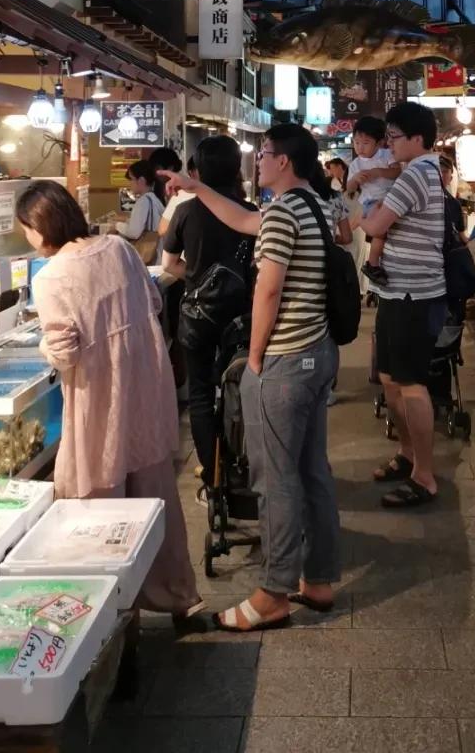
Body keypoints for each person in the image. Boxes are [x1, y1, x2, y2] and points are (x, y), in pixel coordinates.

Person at [17, 182, 201, 616]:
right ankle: (179, 597)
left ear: (40, 226)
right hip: (145, 388)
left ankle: (106, 611)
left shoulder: (50, 278)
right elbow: (153, 300)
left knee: (97, 503)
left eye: (25, 227)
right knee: (154, 495)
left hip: (99, 399)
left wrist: (42, 345)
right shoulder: (118, 248)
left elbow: (64, 353)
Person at [214, 124, 341, 632]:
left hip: (285, 359)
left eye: (264, 153)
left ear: (283, 161)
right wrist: (197, 188)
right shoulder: (316, 205)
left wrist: (255, 357)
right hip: (319, 351)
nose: (258, 161)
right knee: (312, 471)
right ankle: (319, 579)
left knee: (275, 480)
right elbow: (245, 219)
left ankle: (273, 592)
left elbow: (268, 290)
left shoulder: (284, 212)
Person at [361, 101, 447, 507]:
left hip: (415, 295)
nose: (389, 144)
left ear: (417, 138)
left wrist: (362, 217)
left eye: (394, 137)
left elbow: (376, 224)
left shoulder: (416, 173)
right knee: (391, 379)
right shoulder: (419, 171)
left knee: (411, 384)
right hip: (399, 292)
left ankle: (424, 476)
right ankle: (408, 454)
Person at [160, 136, 255, 486]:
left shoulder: (185, 211)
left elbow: (169, 264)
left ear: (198, 171)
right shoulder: (249, 211)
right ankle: (242, 459)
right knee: (240, 385)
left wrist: (198, 278)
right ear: (236, 169)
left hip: (198, 316)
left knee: (201, 393)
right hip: (241, 316)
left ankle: (212, 473)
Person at [347, 116, 400, 285]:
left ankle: (374, 262)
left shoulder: (386, 155)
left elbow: (397, 172)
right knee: (380, 233)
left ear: (379, 143)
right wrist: (355, 179)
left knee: (386, 233)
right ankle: (373, 263)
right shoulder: (355, 164)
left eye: (365, 143)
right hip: (370, 201)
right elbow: (349, 189)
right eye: (356, 142)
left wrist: (379, 172)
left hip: (389, 198)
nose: (360, 147)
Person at [117, 159, 165, 262]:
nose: (130, 183)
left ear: (141, 180)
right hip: (158, 254)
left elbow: (134, 232)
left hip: (149, 256)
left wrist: (117, 225)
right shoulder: (154, 199)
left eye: (131, 179)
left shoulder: (144, 201)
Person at [440, 154, 466, 246]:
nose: (441, 175)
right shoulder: (421, 199)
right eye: (439, 170)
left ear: (451, 178)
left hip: (448, 251)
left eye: (445, 171)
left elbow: (461, 234)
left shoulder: (454, 204)